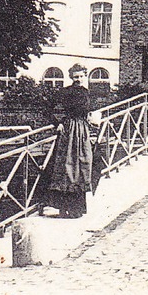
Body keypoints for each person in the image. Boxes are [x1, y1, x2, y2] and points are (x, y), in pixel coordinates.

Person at [40, 63, 102, 219]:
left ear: (85, 76)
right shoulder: (65, 92)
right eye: (75, 77)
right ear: (71, 78)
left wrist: (94, 128)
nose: (78, 79)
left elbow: (92, 113)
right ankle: (63, 208)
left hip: (83, 132)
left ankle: (77, 209)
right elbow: (46, 108)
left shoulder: (88, 93)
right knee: (66, 168)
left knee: (83, 166)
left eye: (81, 76)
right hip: (69, 131)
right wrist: (58, 123)